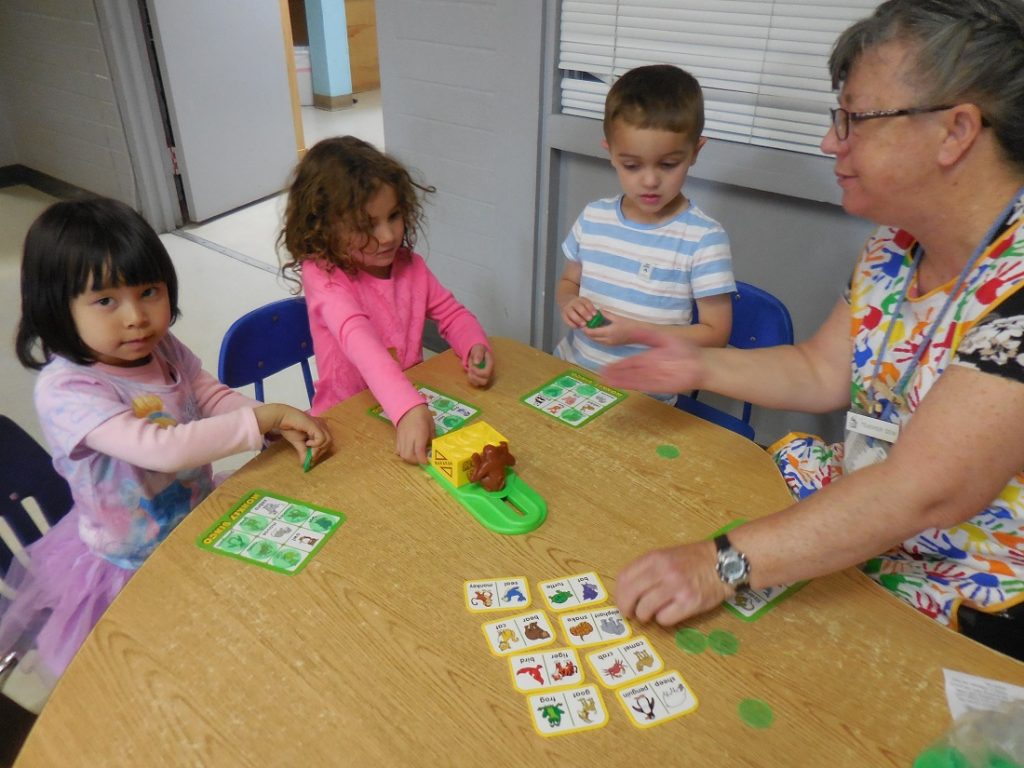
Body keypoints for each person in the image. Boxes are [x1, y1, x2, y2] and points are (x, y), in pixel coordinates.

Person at [603, 0, 1024, 660]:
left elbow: (924, 488)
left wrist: (719, 564)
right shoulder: (893, 248)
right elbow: (820, 369)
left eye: (853, 118)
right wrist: (698, 367)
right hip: (871, 522)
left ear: (956, 131)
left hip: (976, 596)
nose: (831, 141)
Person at [0, 197, 333, 686]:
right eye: (105, 300)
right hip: (126, 565)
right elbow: (164, 447)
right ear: (57, 306)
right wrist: (263, 416)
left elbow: (206, 393)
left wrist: (264, 423)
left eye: (149, 291)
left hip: (195, 517)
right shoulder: (67, 388)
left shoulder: (162, 347)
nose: (136, 317)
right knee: (166, 675)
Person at [280, 136, 493, 464]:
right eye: (367, 225)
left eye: (393, 216)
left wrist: (474, 344)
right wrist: (407, 407)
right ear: (324, 228)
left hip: (402, 407)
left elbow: (452, 314)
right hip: (344, 423)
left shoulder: (411, 266)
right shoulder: (323, 275)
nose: (388, 236)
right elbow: (360, 341)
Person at [554, 64, 735, 404]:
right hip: (574, 379)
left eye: (668, 164)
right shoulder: (593, 218)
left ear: (695, 151)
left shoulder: (703, 238)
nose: (650, 181)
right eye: (632, 165)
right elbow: (568, 283)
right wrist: (570, 303)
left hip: (647, 401)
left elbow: (716, 334)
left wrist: (636, 332)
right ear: (610, 152)